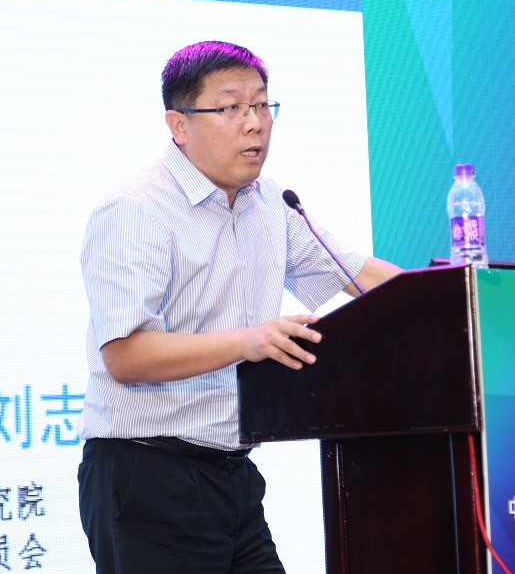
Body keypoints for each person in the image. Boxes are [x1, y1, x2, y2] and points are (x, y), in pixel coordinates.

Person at [77, 40, 402, 573]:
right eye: (231, 107)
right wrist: (248, 341)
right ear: (178, 125)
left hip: (233, 476)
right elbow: (125, 355)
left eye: (261, 105)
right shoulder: (135, 209)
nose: (254, 124)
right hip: (145, 476)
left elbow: (359, 275)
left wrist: (459, 298)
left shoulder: (269, 202)